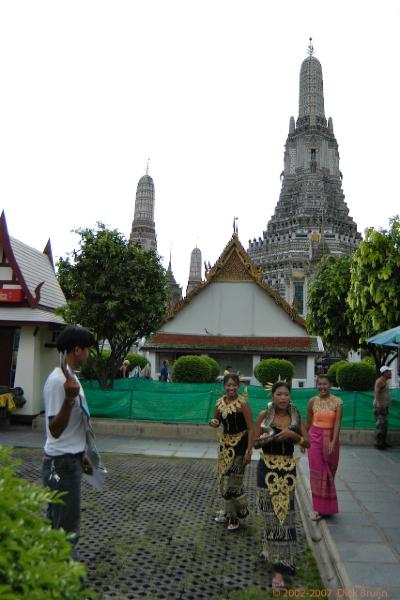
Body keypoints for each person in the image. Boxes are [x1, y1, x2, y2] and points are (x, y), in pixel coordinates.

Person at [42, 325, 95, 560]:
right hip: (60, 464)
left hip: (70, 459)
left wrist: (81, 452)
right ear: (77, 350)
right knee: (66, 532)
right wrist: (68, 400)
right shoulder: (58, 382)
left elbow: (73, 424)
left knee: (58, 526)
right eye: (88, 350)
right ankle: (70, 588)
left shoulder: (71, 378)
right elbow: (54, 429)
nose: (89, 355)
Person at [254, 381, 309, 590]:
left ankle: (281, 567)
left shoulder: (295, 416)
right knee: (270, 515)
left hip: (287, 471)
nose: (283, 398)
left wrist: (294, 436)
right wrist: (268, 438)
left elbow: (307, 443)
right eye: (279, 394)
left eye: (286, 394)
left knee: (285, 516)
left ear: (290, 396)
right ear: (273, 395)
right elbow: (254, 443)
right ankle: (270, 550)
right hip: (266, 468)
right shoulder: (264, 415)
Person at [209, 372, 253, 531]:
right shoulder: (219, 403)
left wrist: (249, 451)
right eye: (228, 385)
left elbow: (251, 428)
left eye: (234, 385)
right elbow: (216, 422)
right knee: (223, 480)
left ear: (238, 386)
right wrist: (212, 422)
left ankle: (235, 517)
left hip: (240, 447)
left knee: (234, 483)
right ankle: (228, 512)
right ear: (224, 386)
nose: (231, 388)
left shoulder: (243, 405)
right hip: (224, 447)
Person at [306, 374, 342, 522]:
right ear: (317, 385)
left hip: (331, 439)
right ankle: (318, 508)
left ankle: (327, 507)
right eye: (319, 384)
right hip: (314, 439)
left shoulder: (338, 402)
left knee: (329, 473)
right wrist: (304, 441)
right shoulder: (312, 401)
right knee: (318, 473)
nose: (322, 387)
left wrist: (333, 441)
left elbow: (338, 423)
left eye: (325, 384)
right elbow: (308, 423)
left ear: (330, 385)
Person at [374, 365, 392, 450]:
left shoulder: (384, 381)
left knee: (384, 425)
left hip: (384, 406)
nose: (390, 373)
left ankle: (383, 442)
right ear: (384, 373)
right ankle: (378, 444)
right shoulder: (380, 381)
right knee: (380, 425)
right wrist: (378, 404)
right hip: (380, 406)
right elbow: (377, 392)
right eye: (389, 372)